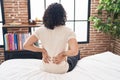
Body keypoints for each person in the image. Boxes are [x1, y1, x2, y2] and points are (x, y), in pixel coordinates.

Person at [23, 3, 80, 74]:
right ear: (63, 16)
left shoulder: (40, 30)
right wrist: (63, 54)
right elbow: (75, 51)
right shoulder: (68, 31)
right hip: (61, 69)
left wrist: (42, 50)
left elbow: (26, 45)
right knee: (77, 53)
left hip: (45, 68)